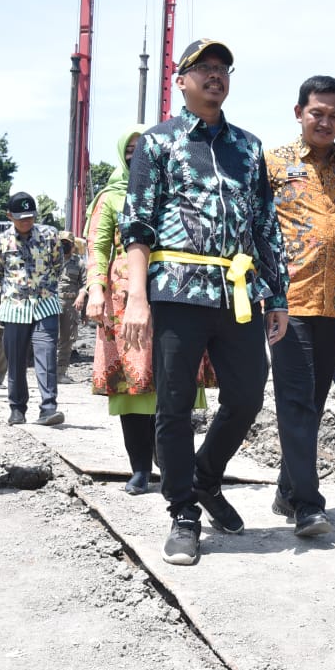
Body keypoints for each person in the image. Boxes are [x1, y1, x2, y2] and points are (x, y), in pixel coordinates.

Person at [120, 38, 290, 566]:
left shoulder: (248, 147)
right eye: (204, 69)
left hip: (237, 293)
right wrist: (136, 299)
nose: (215, 76)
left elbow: (264, 225)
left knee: (247, 397)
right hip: (176, 290)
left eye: (222, 69)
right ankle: (183, 513)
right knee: (174, 404)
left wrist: (277, 294)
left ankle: (204, 477)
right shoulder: (158, 143)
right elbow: (138, 225)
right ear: (182, 79)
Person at [84, 125, 215, 496]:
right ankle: (140, 468)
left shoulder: (176, 192)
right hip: (124, 304)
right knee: (132, 387)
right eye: (130, 151)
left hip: (175, 294)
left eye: (144, 149)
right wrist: (96, 289)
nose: (136, 156)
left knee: (174, 380)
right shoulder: (111, 198)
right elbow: (97, 249)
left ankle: (171, 465)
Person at [265, 75, 335, 538]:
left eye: (334, 116)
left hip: (333, 304)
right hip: (286, 303)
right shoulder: (273, 165)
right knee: (295, 403)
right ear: (298, 112)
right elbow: (257, 228)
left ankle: (288, 488)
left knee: (315, 402)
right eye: (317, 113)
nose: (325, 122)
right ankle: (308, 504)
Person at [0, 191, 69, 427]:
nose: (26, 221)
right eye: (21, 217)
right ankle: (17, 408)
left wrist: (44, 287)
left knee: (46, 355)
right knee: (15, 360)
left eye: (30, 217)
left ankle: (48, 408)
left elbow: (58, 264)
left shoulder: (49, 236)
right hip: (15, 306)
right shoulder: (1, 242)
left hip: (45, 304)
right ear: (9, 216)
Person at [55, 235, 84, 381]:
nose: (64, 245)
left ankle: (60, 372)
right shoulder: (52, 259)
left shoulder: (79, 263)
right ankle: (47, 372)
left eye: (67, 243)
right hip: (51, 303)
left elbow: (85, 284)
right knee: (48, 338)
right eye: (62, 243)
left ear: (73, 245)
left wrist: (81, 297)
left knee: (66, 339)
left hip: (69, 304)